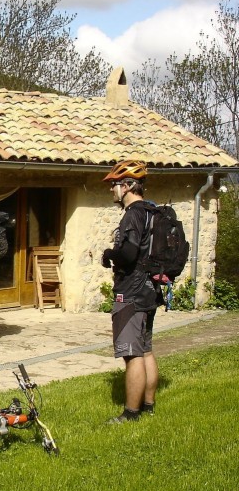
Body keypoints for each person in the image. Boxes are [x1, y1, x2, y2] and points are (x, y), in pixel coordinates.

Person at [101, 160, 159, 423]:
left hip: (131, 292)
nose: (112, 190)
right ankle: (148, 405)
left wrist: (109, 253)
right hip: (149, 290)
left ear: (127, 186)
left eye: (114, 184)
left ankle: (130, 413)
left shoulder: (132, 214)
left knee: (131, 354)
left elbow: (128, 253)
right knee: (145, 349)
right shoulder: (152, 212)